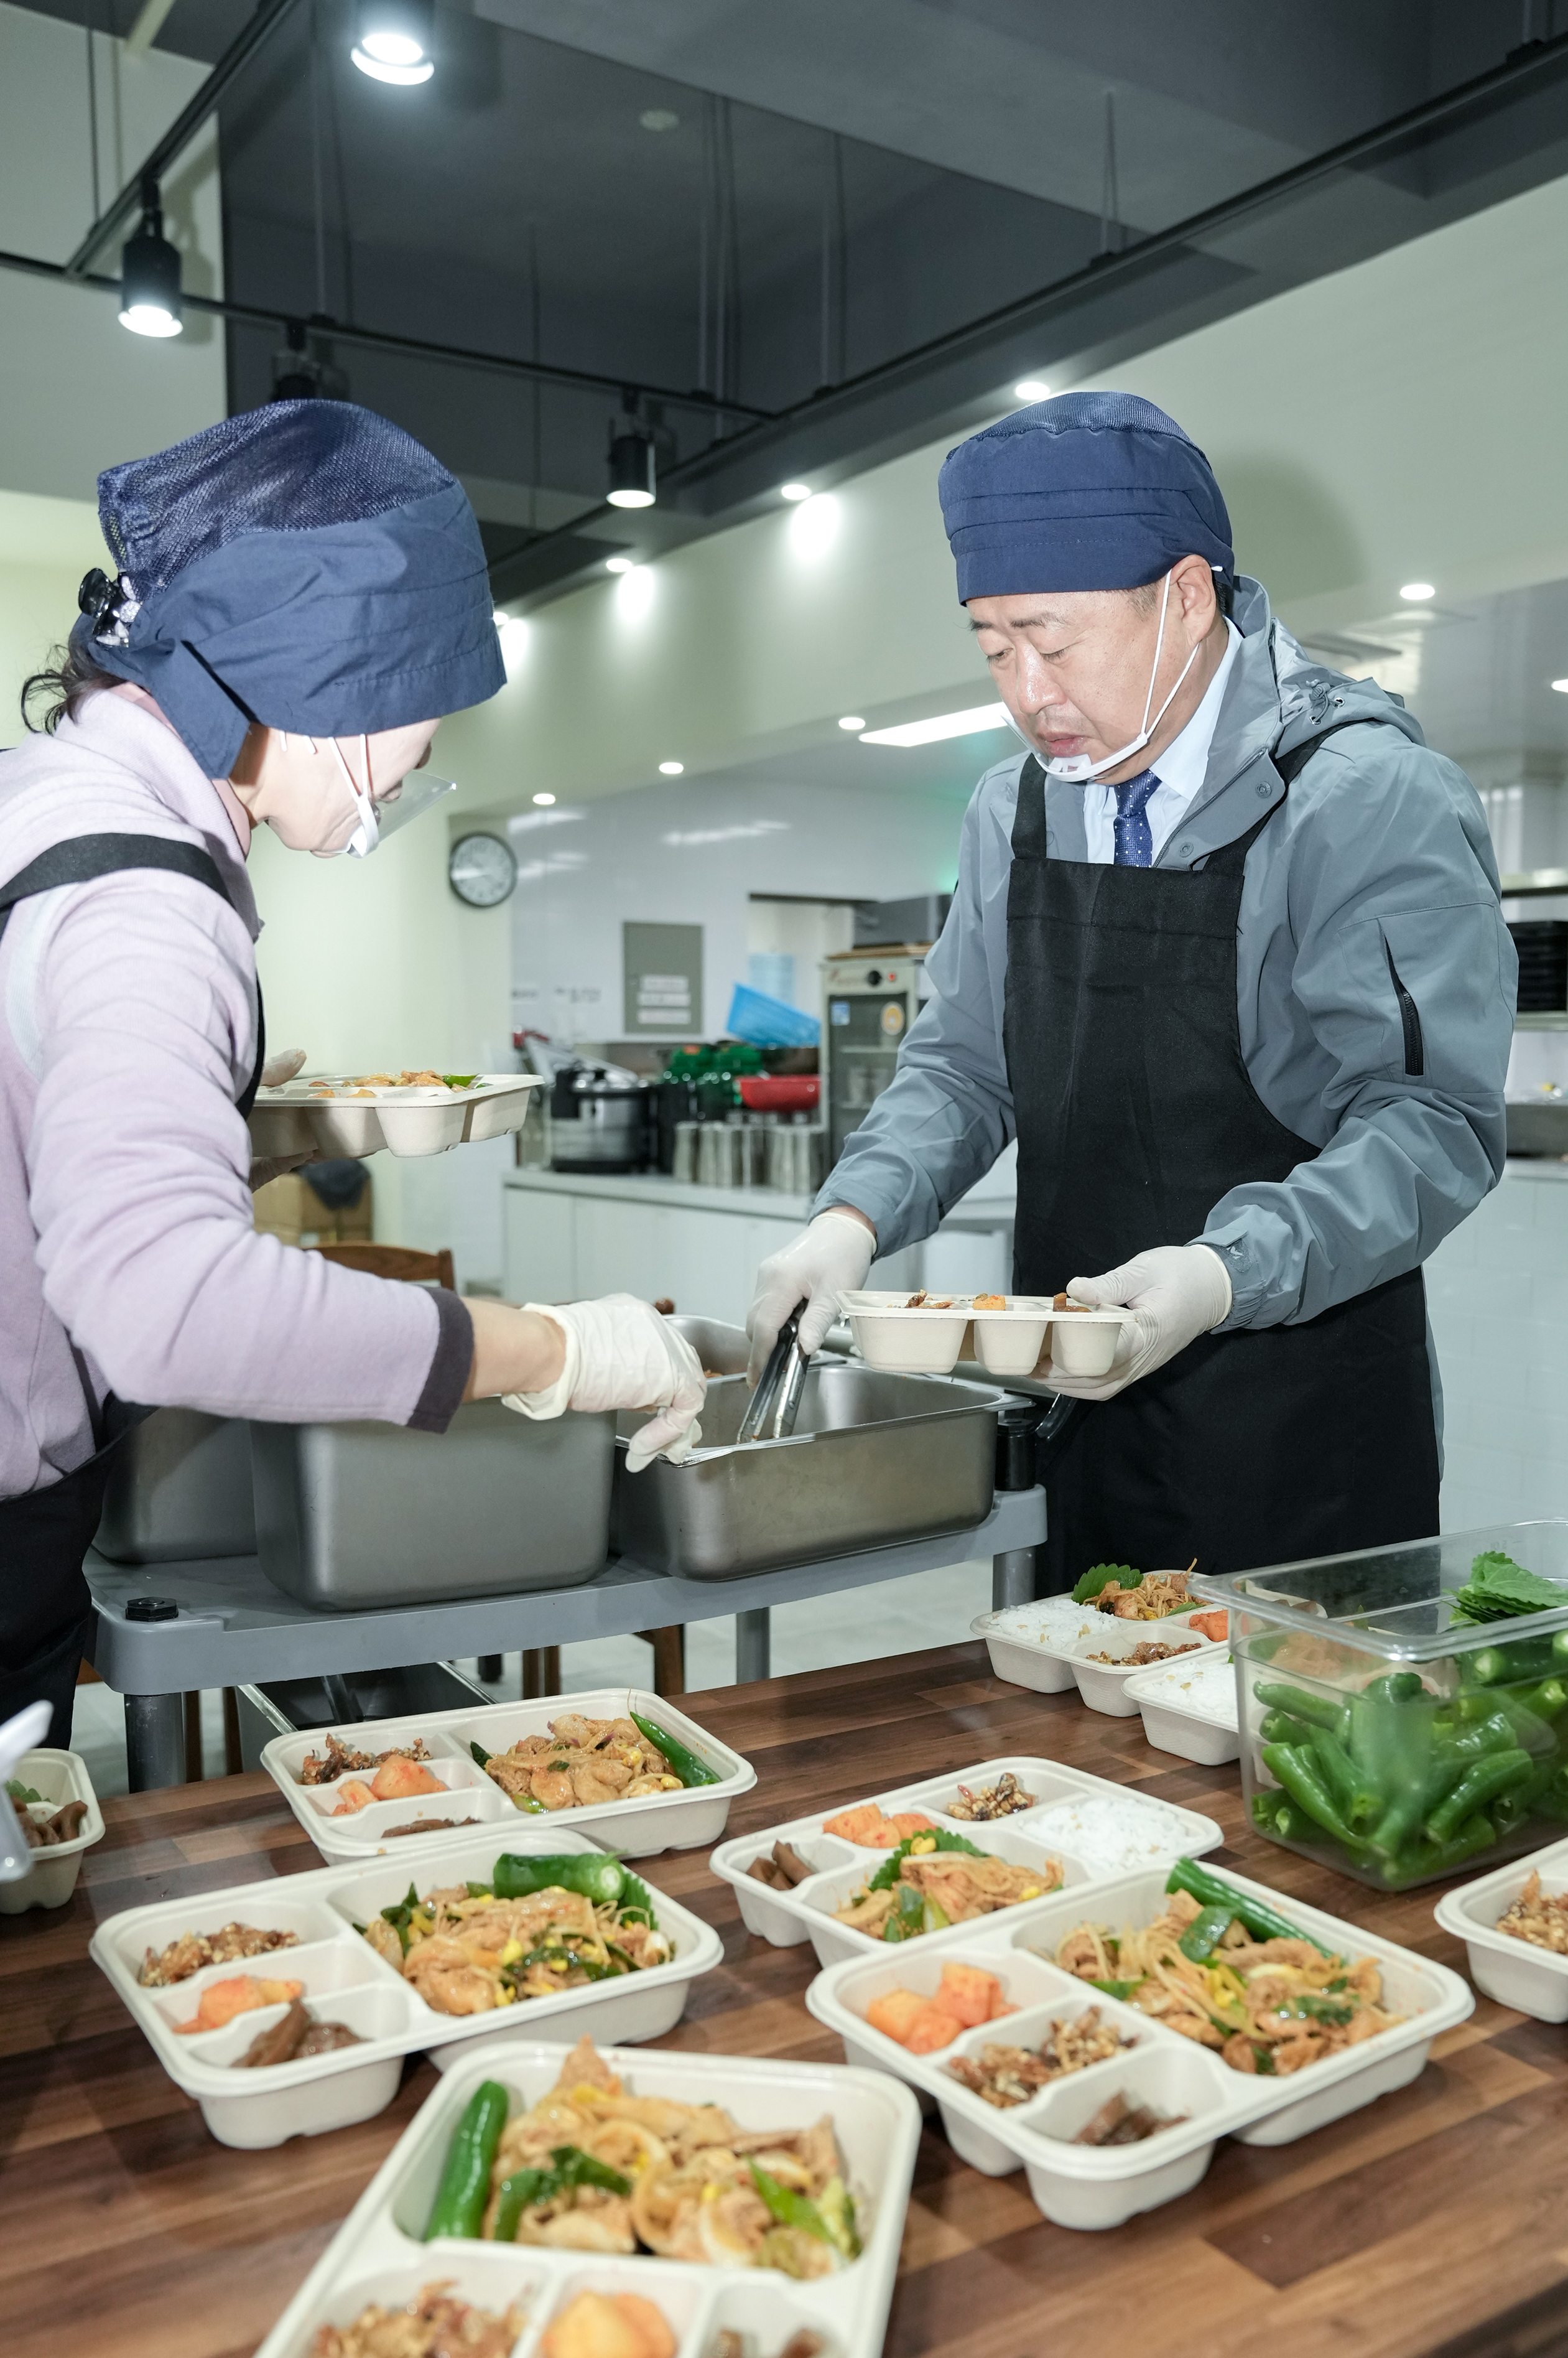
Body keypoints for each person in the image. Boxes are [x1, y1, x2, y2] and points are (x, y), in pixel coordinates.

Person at [1, 401, 702, 1745]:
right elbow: (161, 1304)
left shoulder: (39, 796)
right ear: (324, 680)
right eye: (418, 710)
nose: (423, 754)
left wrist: (250, 1134)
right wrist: (553, 1349)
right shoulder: (149, 900)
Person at [749, 390, 1515, 1584]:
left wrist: (1215, 1274)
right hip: (1079, 1409)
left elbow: (1432, 1126)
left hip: (1297, 1426)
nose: (1026, 691)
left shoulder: (1361, 795)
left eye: (1054, 643)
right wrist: (848, 1223)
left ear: (1187, 596)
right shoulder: (1016, 807)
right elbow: (961, 1065)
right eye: (994, 648)